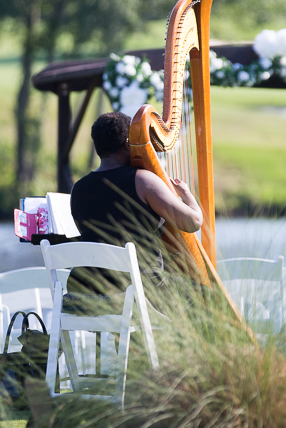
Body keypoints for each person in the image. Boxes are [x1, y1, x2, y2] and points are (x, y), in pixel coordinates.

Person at [67, 111, 204, 299]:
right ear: (127, 143)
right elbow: (193, 222)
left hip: (87, 291)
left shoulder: (78, 188)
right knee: (207, 294)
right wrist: (186, 193)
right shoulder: (142, 181)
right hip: (139, 291)